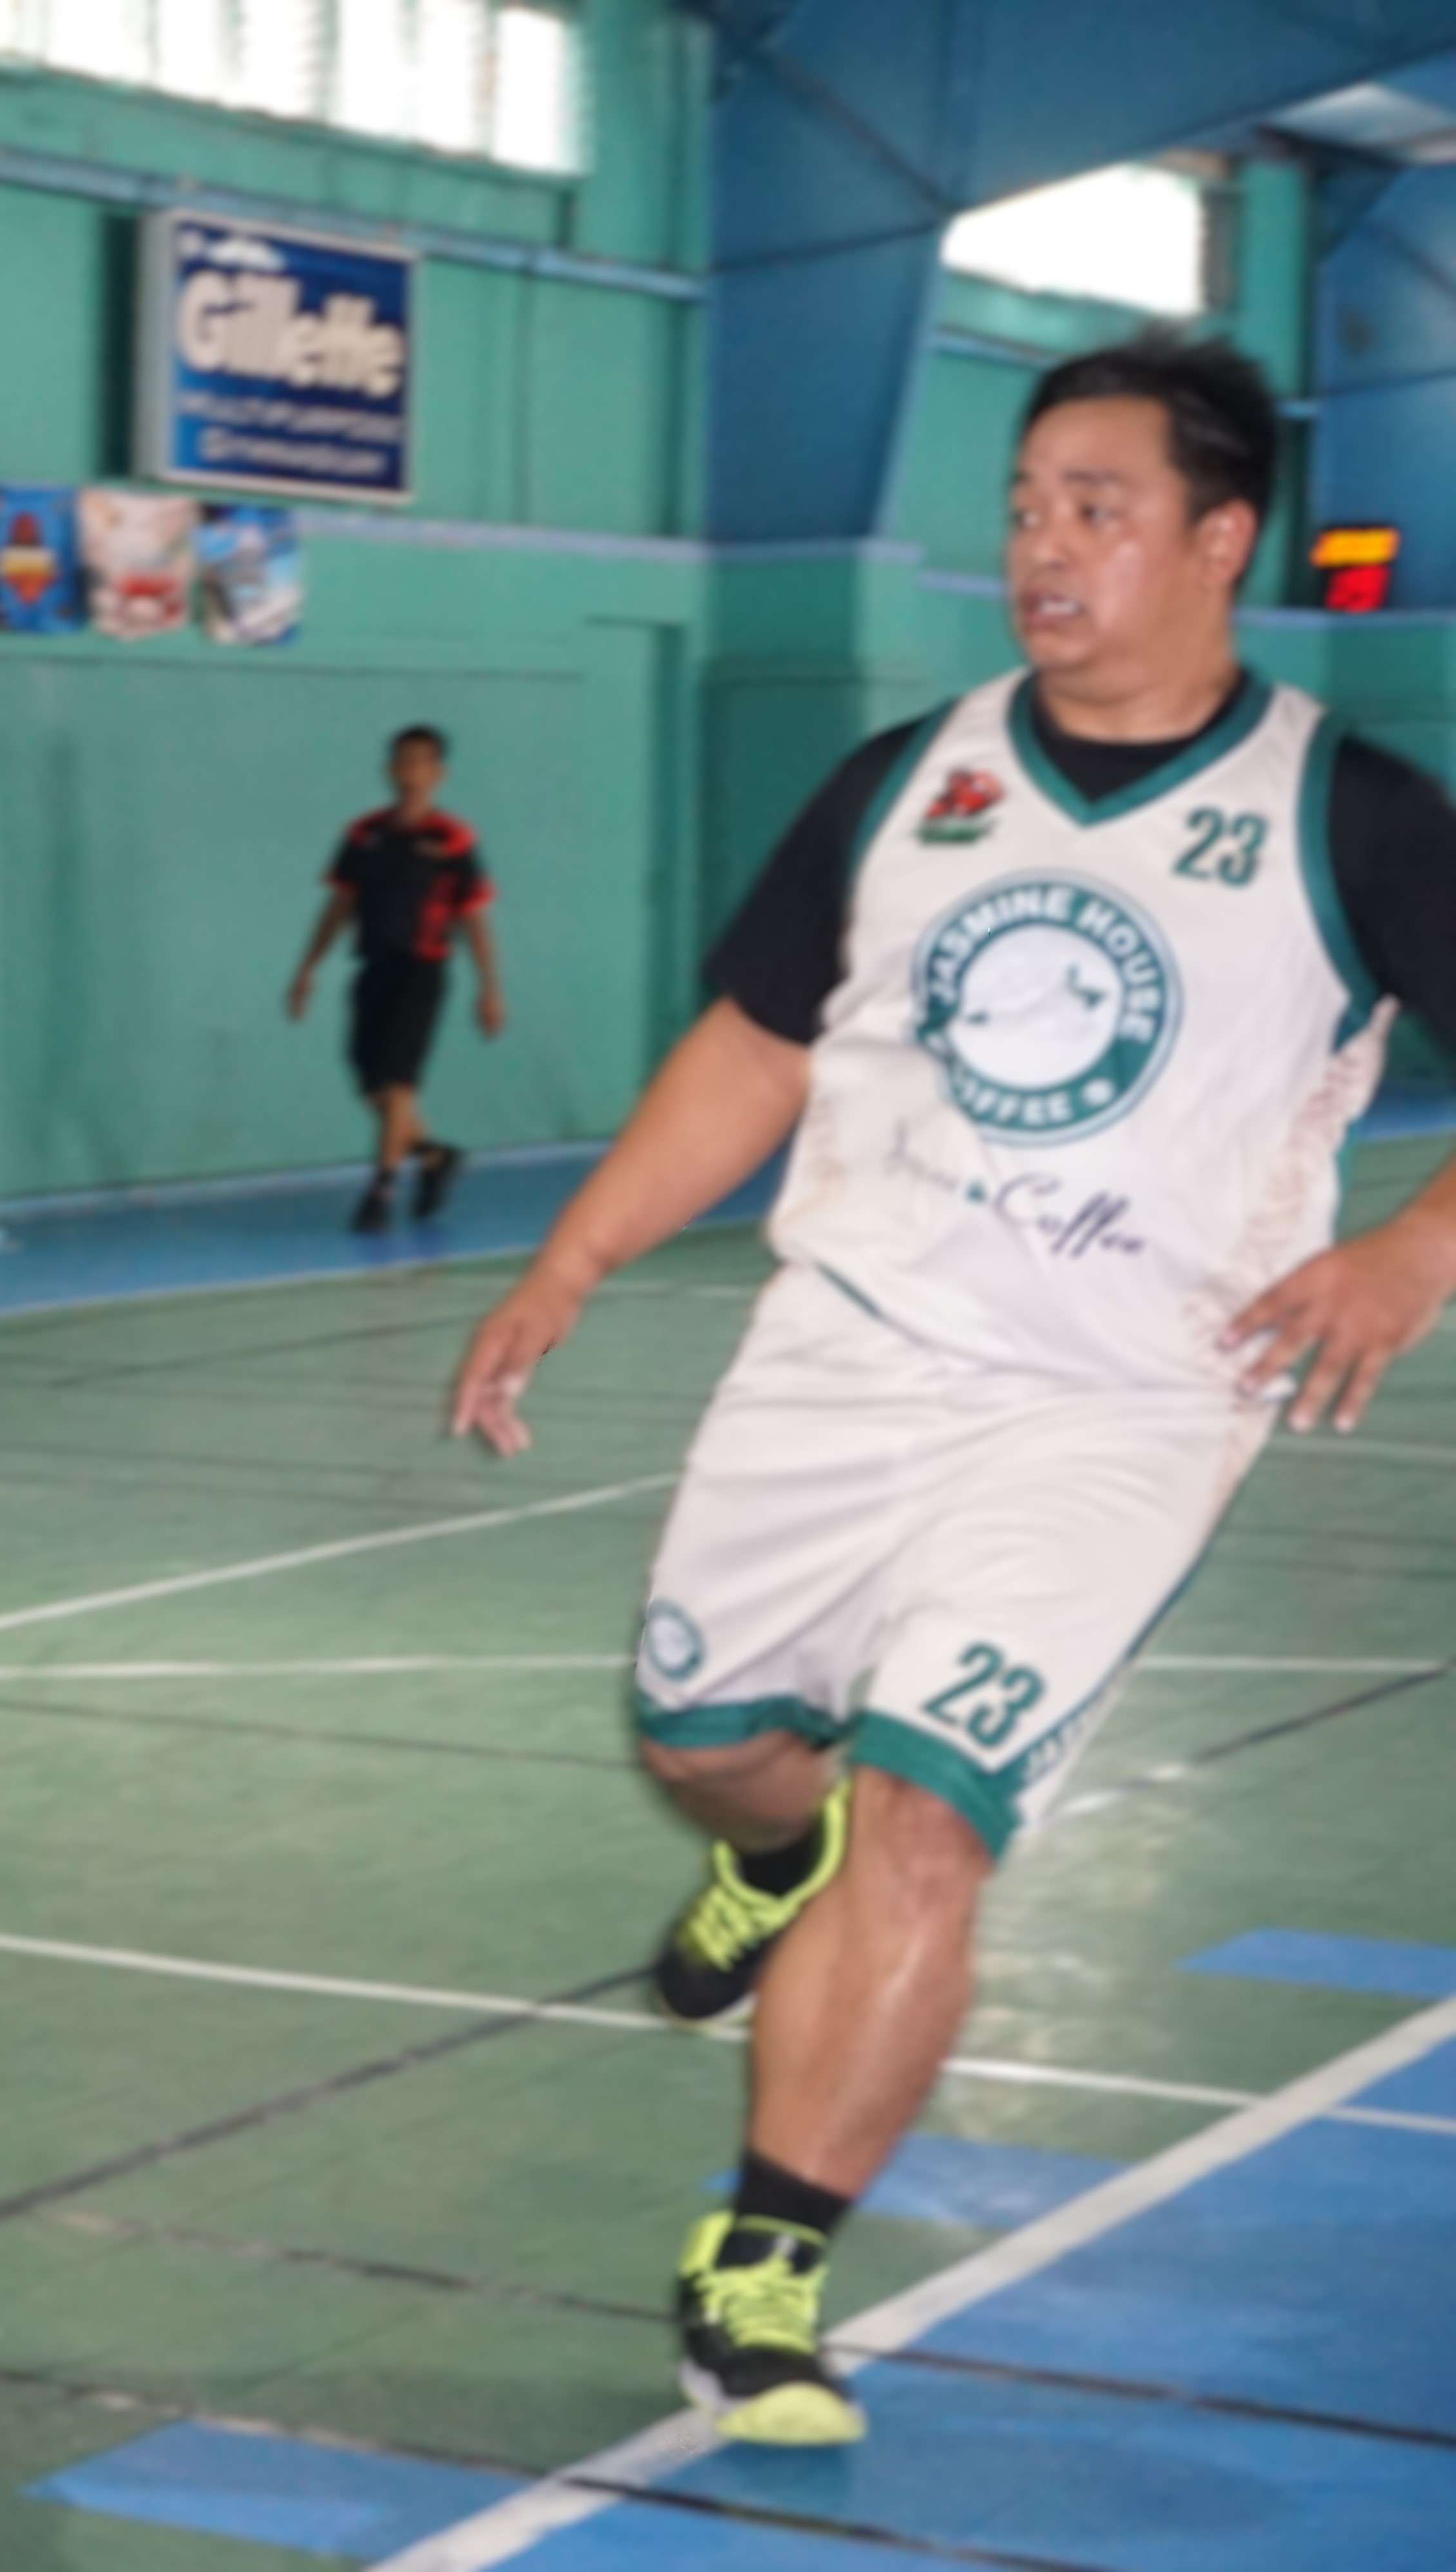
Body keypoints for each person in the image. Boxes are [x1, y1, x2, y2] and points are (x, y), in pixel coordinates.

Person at [447, 332, 1456, 2445]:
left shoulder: (1349, 817)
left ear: (1218, 536)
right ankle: (763, 1848)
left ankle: (766, 2262)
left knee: (930, 1817)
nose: (1044, 547)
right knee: (707, 1736)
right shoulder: (909, 780)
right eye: (1021, 507)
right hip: (845, 1359)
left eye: (1096, 506)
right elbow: (759, 1045)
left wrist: (1413, 1244)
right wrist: (573, 1257)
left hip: (1126, 1409)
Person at [285, 723, 506, 1231]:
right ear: (389, 770)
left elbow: (474, 919)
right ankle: (432, 1156)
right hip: (373, 969)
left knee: (399, 1081)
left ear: (438, 774)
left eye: (422, 763)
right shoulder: (364, 835)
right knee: (371, 1086)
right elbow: (338, 906)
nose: (411, 773)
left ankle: (381, 1191)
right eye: (403, 762)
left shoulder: (453, 840)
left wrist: (489, 990)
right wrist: (308, 968)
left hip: (423, 971)